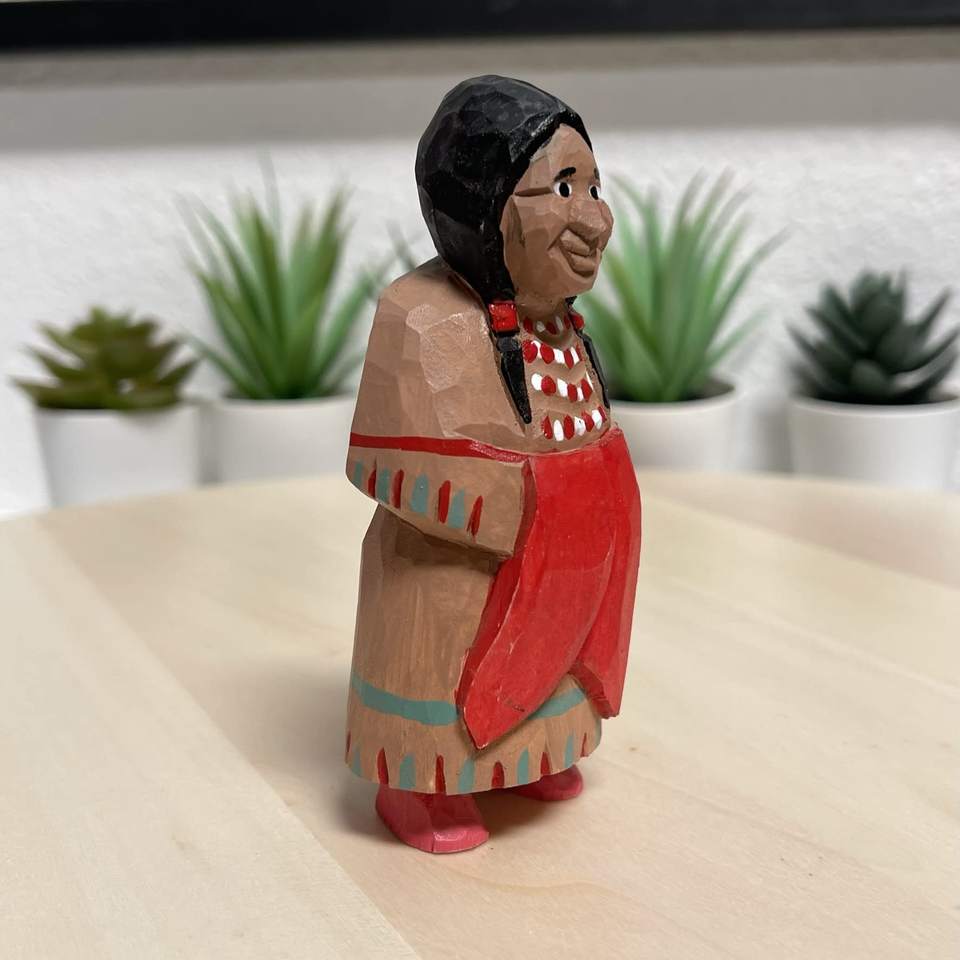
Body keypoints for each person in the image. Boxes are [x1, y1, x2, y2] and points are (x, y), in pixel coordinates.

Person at [344, 75, 641, 853]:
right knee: (442, 643)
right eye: (563, 188)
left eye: (594, 187)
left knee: (549, 667)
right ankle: (422, 787)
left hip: (559, 580)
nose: (596, 218)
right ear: (483, 202)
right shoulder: (422, 317)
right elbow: (388, 462)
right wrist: (535, 497)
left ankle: (532, 753)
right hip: (456, 579)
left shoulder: (561, 325)